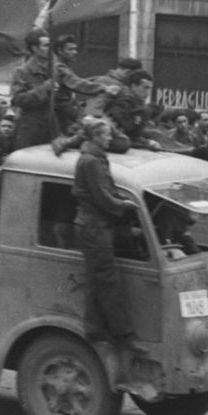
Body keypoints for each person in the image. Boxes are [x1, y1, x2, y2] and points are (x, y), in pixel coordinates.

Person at [72, 115, 149, 386]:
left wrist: (119, 200)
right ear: (94, 136)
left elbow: (106, 190)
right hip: (94, 226)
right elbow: (102, 196)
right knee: (107, 278)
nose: (109, 138)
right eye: (105, 135)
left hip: (96, 225)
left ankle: (94, 330)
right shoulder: (91, 160)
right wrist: (123, 206)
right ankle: (122, 333)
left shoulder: (94, 157)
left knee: (98, 277)